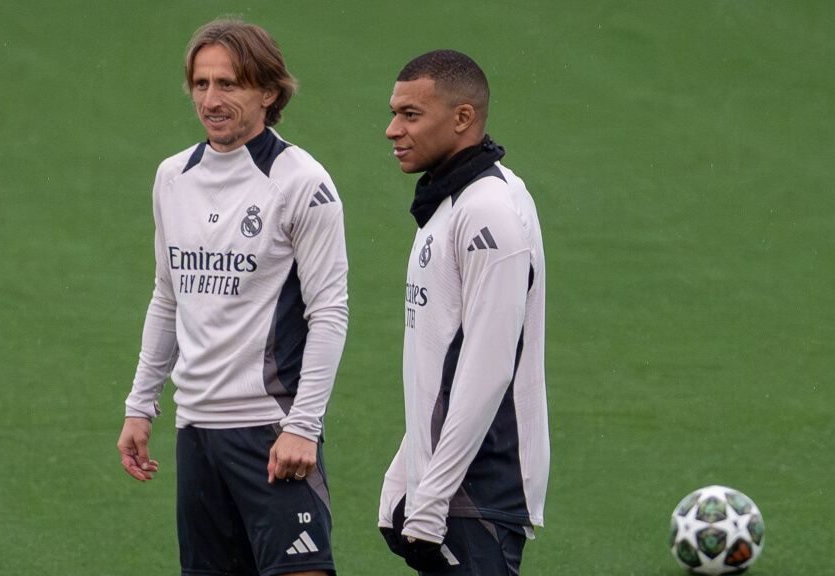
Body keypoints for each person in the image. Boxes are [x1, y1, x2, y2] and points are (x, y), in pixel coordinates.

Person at [116, 18, 348, 576]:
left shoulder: (302, 183)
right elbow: (167, 297)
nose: (211, 100)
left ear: (268, 92)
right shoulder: (172, 177)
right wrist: (140, 404)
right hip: (196, 432)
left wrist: (304, 425)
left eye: (229, 84)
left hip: (270, 429)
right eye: (201, 84)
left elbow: (330, 312)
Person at [377, 50, 550, 575]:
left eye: (411, 115)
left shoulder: (488, 213)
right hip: (448, 485)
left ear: (462, 119)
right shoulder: (450, 203)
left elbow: (487, 366)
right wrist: (404, 473)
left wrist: (431, 501)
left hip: (478, 487)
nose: (391, 130)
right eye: (393, 112)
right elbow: (440, 360)